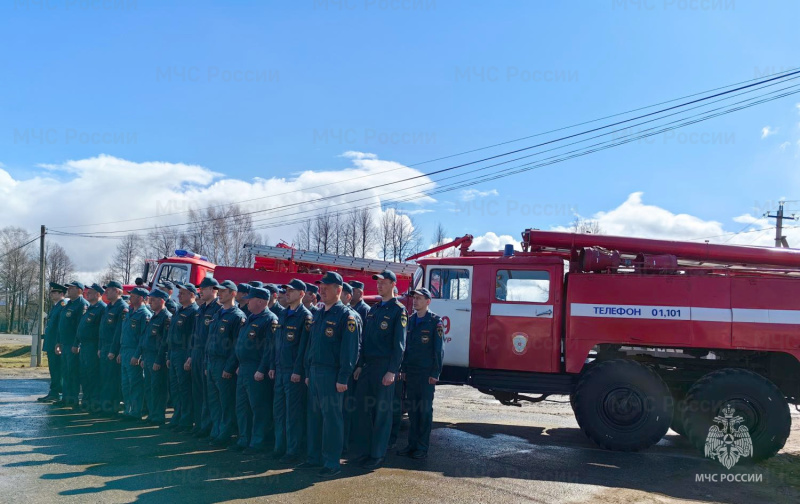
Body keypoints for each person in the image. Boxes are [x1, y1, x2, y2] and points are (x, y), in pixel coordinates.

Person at [298, 272, 359, 478]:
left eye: (327, 286)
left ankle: (331, 462)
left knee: (332, 419)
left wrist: (343, 377)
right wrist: (307, 371)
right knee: (314, 417)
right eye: (320, 286)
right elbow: (311, 345)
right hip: (315, 372)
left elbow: (350, 350)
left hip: (332, 375)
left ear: (339, 290)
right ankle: (314, 458)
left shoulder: (345, 316)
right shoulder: (319, 313)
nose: (321, 290)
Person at [352, 269, 407, 469]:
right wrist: (360, 365)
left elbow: (399, 345)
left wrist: (392, 370)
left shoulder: (398, 310)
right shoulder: (374, 310)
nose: (379, 285)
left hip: (385, 367)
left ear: (393, 285)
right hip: (368, 366)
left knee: (382, 413)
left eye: (384, 282)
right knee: (363, 410)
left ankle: (377, 454)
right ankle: (364, 451)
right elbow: (365, 340)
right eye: (378, 282)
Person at [397, 288, 444, 459]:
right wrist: (403, 369)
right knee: (413, 411)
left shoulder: (435, 322)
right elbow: (406, 348)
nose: (415, 301)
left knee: (424, 411)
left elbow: (438, 350)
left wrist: (435, 372)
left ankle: (422, 447)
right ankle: (411, 445)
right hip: (412, 373)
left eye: (419, 298)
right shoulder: (411, 320)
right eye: (414, 298)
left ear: (428, 301)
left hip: (426, 374)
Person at [270, 279, 312, 464]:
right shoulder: (283, 314)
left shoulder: (305, 316)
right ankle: (280, 447)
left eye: (292, 290)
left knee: (293, 414)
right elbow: (276, 344)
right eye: (286, 290)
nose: (287, 293)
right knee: (279, 411)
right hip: (279, 369)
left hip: (293, 373)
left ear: (302, 294)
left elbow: (304, 347)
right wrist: (272, 365)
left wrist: (298, 370)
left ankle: (293, 450)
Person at [233, 287, 278, 454]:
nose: (247, 301)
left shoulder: (269, 319)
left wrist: (261, 369)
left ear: (260, 301)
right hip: (244, 367)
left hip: (256, 369)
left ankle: (257, 442)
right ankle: (243, 439)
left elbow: (269, 349)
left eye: (250, 299)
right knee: (242, 406)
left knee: (258, 407)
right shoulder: (250, 318)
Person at [205, 280, 246, 446]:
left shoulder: (237, 316)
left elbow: (237, 346)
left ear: (233, 294)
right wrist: (207, 364)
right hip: (213, 362)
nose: (219, 294)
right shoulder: (218, 314)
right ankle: (216, 430)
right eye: (219, 291)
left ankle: (225, 434)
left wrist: (229, 367)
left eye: (223, 291)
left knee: (226, 402)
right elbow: (210, 341)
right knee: (214, 401)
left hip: (224, 364)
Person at [186, 277, 221, 438]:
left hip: (208, 354)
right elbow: (194, 335)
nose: (201, 291)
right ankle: (199, 423)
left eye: (205, 289)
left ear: (214, 290)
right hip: (197, 353)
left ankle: (208, 426)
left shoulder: (217, 309)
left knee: (209, 394)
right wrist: (190, 356)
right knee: (197, 391)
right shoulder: (201, 310)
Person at [166, 283, 199, 432]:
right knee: (175, 388)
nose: (178, 296)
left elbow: (194, 337)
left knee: (184, 388)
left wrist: (189, 357)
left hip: (184, 352)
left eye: (183, 293)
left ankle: (186, 420)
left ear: (192, 295)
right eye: (179, 293)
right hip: (174, 353)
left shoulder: (194, 312)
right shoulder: (180, 310)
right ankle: (177, 416)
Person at [137, 288, 172, 425]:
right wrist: (144, 358)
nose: (150, 302)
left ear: (161, 301)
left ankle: (158, 416)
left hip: (157, 358)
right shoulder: (154, 316)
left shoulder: (166, 317)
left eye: (153, 300)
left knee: (158, 388)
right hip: (148, 356)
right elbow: (146, 338)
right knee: (150, 387)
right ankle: (152, 414)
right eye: (149, 299)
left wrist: (159, 360)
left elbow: (164, 341)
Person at [73, 283, 107, 413]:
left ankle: (94, 402)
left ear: (98, 294)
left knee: (93, 375)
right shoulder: (89, 308)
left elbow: (101, 331)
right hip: (84, 346)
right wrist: (76, 343)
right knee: (84, 375)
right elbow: (81, 327)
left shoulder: (102, 308)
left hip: (93, 346)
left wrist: (99, 347)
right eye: (88, 292)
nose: (87, 294)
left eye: (91, 292)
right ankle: (86, 400)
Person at [55, 281, 89, 408]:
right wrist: (58, 342)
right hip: (64, 343)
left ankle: (73, 399)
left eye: (72, 288)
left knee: (73, 372)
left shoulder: (82, 305)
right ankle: (66, 397)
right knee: (65, 372)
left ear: (79, 290)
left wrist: (76, 344)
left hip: (73, 345)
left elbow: (80, 327)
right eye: (68, 287)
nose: (68, 289)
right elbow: (61, 325)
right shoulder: (68, 304)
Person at [120, 287, 151, 421]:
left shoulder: (144, 314)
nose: (130, 297)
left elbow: (143, 338)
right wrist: (121, 352)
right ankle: (128, 409)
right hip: (126, 350)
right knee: (126, 383)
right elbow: (123, 334)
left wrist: (138, 355)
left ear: (140, 298)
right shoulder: (130, 312)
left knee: (135, 383)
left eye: (133, 296)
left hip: (134, 351)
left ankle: (136, 411)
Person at [98, 281, 128, 416]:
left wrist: (113, 350)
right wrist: (100, 347)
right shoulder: (109, 306)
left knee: (112, 379)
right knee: (104, 378)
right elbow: (102, 329)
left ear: (117, 291)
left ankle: (112, 407)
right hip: (104, 347)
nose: (106, 293)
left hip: (112, 348)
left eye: (109, 290)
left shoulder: (122, 307)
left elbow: (118, 332)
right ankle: (105, 406)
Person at [340, 282, 363, 454]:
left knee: (345, 409)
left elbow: (360, 344)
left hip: (348, 368)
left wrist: (359, 365)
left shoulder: (354, 314)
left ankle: (344, 443)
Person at [38, 282, 67, 403]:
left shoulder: (63, 305)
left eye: (54, 292)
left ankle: (57, 392)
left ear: (61, 293)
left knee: (57, 369)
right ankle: (54, 392)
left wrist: (58, 343)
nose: (52, 294)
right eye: (52, 292)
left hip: (56, 343)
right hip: (51, 343)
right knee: (53, 369)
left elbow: (60, 327)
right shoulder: (56, 306)